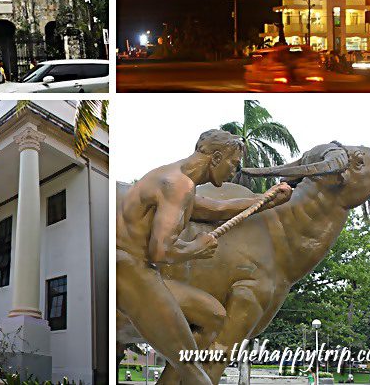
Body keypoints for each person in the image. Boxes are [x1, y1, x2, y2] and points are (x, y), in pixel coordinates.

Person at [117, 129, 293, 385]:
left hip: (137, 270)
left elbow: (216, 208)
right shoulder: (178, 185)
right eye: (233, 164)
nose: (235, 171)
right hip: (131, 273)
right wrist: (196, 248)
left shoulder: (176, 179)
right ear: (216, 157)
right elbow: (160, 251)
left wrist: (265, 200)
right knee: (197, 377)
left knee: (214, 316)